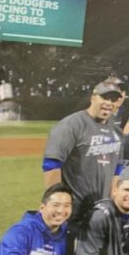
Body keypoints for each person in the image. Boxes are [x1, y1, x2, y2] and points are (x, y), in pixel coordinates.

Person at [43, 81, 124, 216]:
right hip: (74, 209)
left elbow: (118, 168)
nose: (109, 103)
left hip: (103, 208)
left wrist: (113, 200)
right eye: (104, 97)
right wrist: (59, 205)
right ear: (93, 98)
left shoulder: (116, 130)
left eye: (113, 99)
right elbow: (51, 165)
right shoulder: (71, 125)